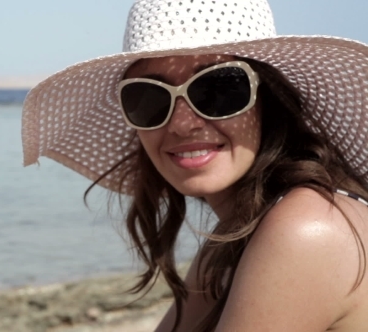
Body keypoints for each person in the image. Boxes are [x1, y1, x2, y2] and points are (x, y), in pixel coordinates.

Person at [21, 0, 368, 330]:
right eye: (149, 97)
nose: (182, 123)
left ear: (269, 98)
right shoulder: (234, 237)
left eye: (217, 88)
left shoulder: (306, 230)